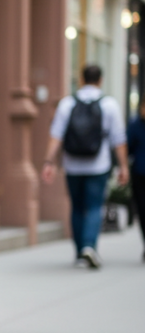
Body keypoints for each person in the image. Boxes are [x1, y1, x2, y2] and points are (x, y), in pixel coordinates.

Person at [42, 64, 129, 268]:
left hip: (73, 165)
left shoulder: (67, 103)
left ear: (81, 79)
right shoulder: (109, 104)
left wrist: (48, 162)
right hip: (98, 165)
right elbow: (119, 139)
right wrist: (123, 166)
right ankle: (89, 247)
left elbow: (56, 135)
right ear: (100, 80)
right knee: (93, 207)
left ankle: (81, 251)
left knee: (77, 207)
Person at [127, 97, 145, 259]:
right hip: (140, 174)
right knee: (142, 209)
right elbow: (128, 147)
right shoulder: (135, 125)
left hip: (139, 169)